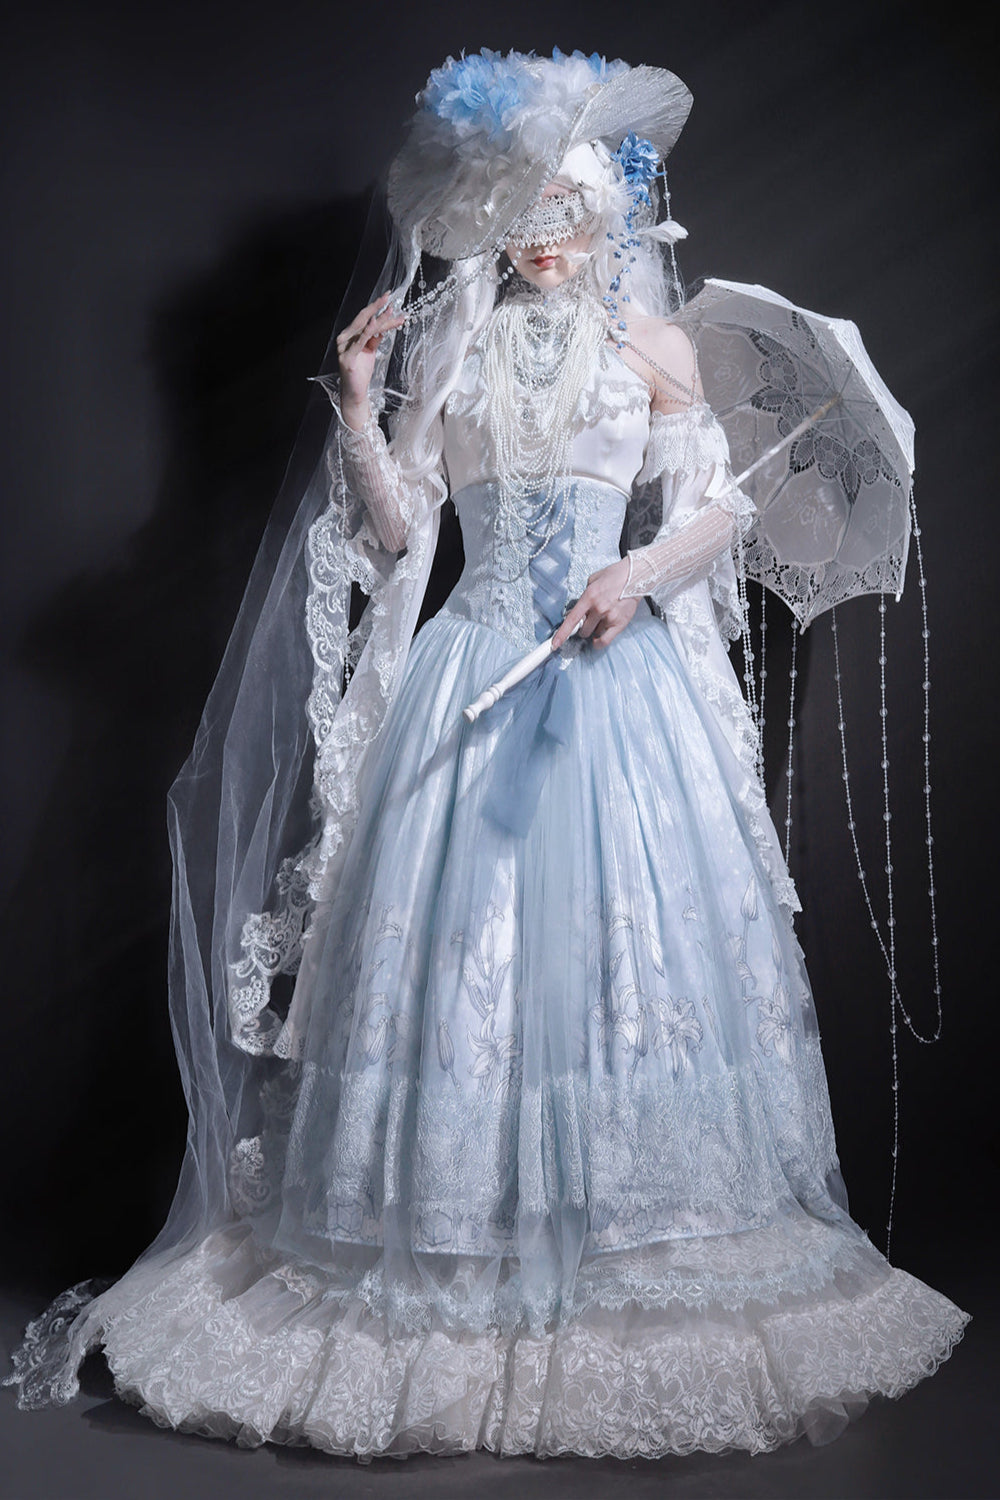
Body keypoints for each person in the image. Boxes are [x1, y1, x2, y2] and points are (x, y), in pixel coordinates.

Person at [4, 47, 968, 1460]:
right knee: (458, 964)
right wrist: (356, 402)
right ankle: (448, 1239)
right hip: (472, 666)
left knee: (624, 957)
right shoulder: (449, 345)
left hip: (618, 676)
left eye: (568, 210)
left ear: (610, 214)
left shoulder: (657, 350)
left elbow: (718, 512)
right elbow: (400, 534)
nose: (544, 236)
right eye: (521, 212)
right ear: (484, 213)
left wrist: (637, 575)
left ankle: (636, 1241)